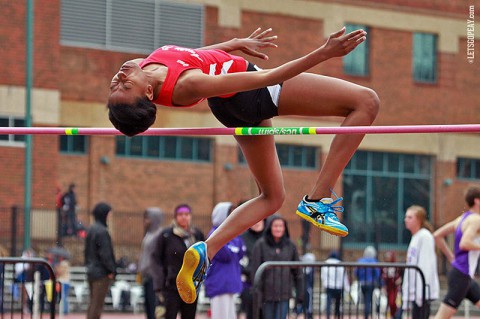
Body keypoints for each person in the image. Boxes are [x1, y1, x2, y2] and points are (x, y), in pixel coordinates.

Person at [107, 26, 379, 303]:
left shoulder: (145, 68)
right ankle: (318, 199)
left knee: (272, 198)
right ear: (150, 92)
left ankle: (206, 250)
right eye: (125, 85)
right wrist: (324, 53)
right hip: (251, 93)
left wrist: (233, 44)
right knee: (366, 101)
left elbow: (190, 57)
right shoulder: (187, 86)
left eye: (115, 85)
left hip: (234, 105)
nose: (119, 77)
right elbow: (269, 76)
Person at [433, 187, 480, 319]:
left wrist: (451, 257)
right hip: (462, 275)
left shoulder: (461, 219)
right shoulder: (476, 219)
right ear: (477, 201)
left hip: (463, 275)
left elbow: (437, 235)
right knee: (441, 316)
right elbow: (464, 243)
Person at [151, 204, 205, 319]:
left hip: (191, 285)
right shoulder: (166, 235)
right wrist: (159, 283)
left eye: (187, 214)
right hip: (171, 285)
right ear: (175, 217)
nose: (184, 217)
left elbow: (204, 256)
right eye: (180, 215)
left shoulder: (196, 235)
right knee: (169, 315)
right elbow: (156, 259)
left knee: (189, 315)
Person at [251, 214, 304, 319]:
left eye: (281, 226)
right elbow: (255, 271)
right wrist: (258, 294)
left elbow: (298, 271)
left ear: (285, 228)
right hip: (266, 295)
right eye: (275, 226)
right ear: (270, 227)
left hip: (283, 294)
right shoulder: (260, 245)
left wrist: (300, 293)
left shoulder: (290, 245)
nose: (278, 229)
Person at [204, 202, 245, 319]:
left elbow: (241, 252)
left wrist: (234, 251)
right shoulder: (215, 234)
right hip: (219, 284)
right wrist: (234, 251)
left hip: (231, 283)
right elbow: (226, 255)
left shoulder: (234, 233)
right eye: (230, 214)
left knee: (231, 316)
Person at [401, 205, 439, 319]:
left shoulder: (425, 236)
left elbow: (425, 265)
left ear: (419, 220)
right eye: (406, 217)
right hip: (415, 290)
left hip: (421, 291)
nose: (406, 220)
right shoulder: (416, 236)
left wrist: (420, 293)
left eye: (410, 217)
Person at [84, 202, 117, 319]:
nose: (110, 217)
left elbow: (87, 252)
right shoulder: (102, 231)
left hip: (92, 270)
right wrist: (111, 270)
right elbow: (105, 254)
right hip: (101, 272)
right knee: (97, 305)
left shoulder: (91, 229)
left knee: (93, 303)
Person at [138, 207, 165, 319]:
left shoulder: (159, 235)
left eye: (148, 219)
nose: (145, 221)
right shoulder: (148, 234)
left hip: (154, 277)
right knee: (148, 308)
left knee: (154, 309)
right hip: (146, 276)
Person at [240, 218, 265, 319]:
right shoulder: (243, 238)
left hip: (266, 284)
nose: (257, 223)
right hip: (248, 284)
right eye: (255, 220)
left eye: (260, 220)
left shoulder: (268, 237)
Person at [321, 250, 349, 319]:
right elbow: (343, 276)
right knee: (338, 304)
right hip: (338, 286)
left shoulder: (325, 263)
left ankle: (328, 316)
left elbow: (323, 276)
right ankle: (337, 316)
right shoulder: (340, 263)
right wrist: (347, 288)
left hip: (328, 286)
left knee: (328, 304)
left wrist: (324, 284)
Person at [355, 245, 380, 319]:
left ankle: (366, 314)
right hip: (370, 283)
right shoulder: (374, 262)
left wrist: (360, 278)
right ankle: (366, 315)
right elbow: (377, 273)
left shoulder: (360, 261)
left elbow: (356, 272)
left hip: (362, 283)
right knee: (368, 300)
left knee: (365, 299)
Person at [381, 250, 402, 319]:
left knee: (394, 303)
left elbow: (399, 277)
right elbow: (382, 277)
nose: (387, 258)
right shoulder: (384, 267)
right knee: (387, 303)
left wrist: (398, 281)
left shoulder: (395, 266)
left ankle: (395, 316)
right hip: (387, 288)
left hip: (395, 288)